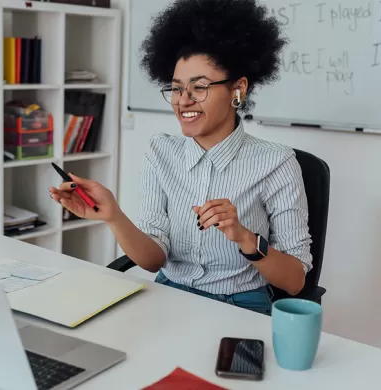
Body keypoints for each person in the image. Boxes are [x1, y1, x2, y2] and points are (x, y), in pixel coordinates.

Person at [49, 0, 312, 315]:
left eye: (199, 87)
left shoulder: (276, 163)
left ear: (238, 90)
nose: (183, 101)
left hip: (241, 307)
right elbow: (152, 260)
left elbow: (295, 282)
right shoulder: (161, 152)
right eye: (175, 89)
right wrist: (112, 215)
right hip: (169, 298)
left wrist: (244, 238)